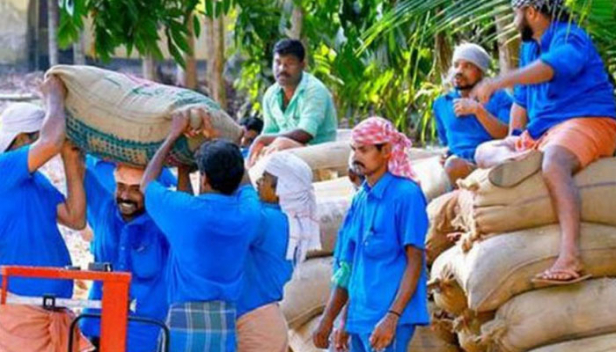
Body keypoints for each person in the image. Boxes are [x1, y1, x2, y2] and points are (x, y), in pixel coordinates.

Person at [471, 0, 616, 284]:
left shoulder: (569, 35)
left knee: (554, 163)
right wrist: (514, 138)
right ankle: (524, 161)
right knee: (484, 151)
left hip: (588, 120)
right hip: (543, 132)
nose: (514, 19)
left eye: (516, 12)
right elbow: (521, 104)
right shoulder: (529, 49)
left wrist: (498, 82)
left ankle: (571, 256)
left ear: (532, 12)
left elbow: (553, 67)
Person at [141, 108, 261, 352]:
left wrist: (172, 136)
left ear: (203, 178)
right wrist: (221, 145)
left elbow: (146, 184)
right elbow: (246, 183)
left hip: (183, 319)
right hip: (225, 320)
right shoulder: (248, 213)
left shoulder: (188, 212)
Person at [313, 117, 429, 352]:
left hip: (387, 320)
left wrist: (392, 317)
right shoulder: (361, 198)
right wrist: (335, 320)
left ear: (386, 150)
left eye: (364, 150)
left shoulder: (406, 195)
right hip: (360, 318)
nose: (356, 157)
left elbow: (415, 261)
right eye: (354, 150)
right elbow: (349, 268)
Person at [0, 78, 91, 351]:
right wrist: (54, 96)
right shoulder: (4, 167)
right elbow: (51, 140)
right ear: (20, 139)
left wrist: (70, 159)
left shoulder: (36, 181)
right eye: (34, 138)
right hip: (20, 312)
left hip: (54, 311)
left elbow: (76, 218)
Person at [80, 164, 170, 352]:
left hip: (144, 335)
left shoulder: (164, 225)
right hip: (95, 329)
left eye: (135, 190)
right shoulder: (104, 209)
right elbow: (77, 167)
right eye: (121, 186)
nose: (125, 196)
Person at [236, 152, 319, 352]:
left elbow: (242, 205)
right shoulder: (282, 219)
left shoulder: (271, 221)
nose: (258, 182)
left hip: (256, 324)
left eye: (265, 179)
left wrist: (232, 158)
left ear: (280, 190)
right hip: (261, 319)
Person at [247, 39, 338, 166]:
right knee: (258, 153)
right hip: (289, 151)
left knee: (281, 145)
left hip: (319, 152)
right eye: (278, 62)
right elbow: (270, 132)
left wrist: (262, 139)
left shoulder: (314, 90)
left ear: (302, 65)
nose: (282, 69)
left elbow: (306, 133)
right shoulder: (271, 94)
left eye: (289, 63)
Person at [433, 43, 512, 186]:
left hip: (491, 165)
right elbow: (446, 142)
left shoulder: (499, 98)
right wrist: (446, 154)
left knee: (454, 165)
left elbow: (507, 133)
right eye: (456, 65)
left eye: (467, 66)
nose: (459, 71)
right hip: (457, 168)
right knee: (453, 165)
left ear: (481, 71)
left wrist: (478, 110)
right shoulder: (441, 104)